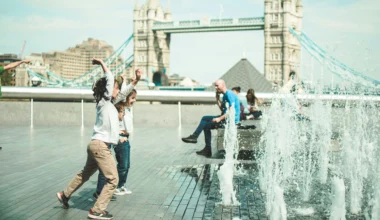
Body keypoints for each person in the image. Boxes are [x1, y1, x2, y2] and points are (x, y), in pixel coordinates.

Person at [56, 58, 120, 220]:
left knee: (85, 174)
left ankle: (65, 194)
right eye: (116, 89)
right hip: (100, 147)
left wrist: (135, 81)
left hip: (95, 145)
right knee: (113, 179)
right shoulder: (105, 102)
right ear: (108, 89)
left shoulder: (108, 104)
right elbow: (110, 78)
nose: (118, 91)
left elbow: (124, 94)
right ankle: (97, 210)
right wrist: (101, 63)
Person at [181, 79, 240, 158]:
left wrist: (219, 119)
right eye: (215, 86)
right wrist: (217, 98)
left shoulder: (229, 94)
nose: (215, 87)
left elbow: (231, 110)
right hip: (226, 118)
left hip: (231, 121)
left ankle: (206, 148)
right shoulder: (225, 95)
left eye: (217, 85)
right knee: (205, 118)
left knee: (207, 126)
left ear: (223, 85)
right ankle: (195, 138)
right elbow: (223, 109)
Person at [95, 89, 137, 198]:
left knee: (125, 165)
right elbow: (112, 123)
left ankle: (120, 185)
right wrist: (119, 134)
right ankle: (106, 189)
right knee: (110, 165)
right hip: (117, 138)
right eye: (132, 98)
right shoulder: (118, 108)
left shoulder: (128, 109)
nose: (134, 100)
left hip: (125, 138)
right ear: (126, 98)